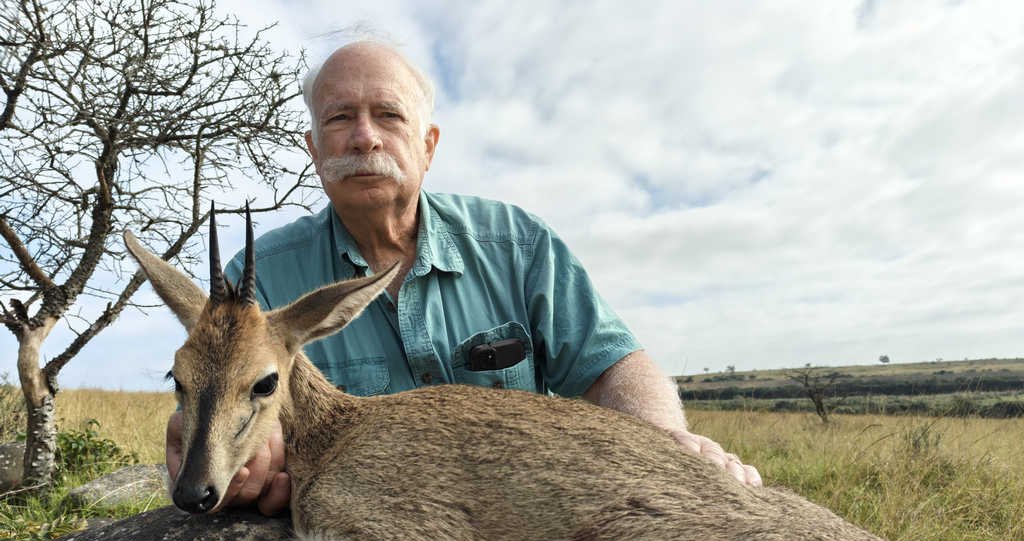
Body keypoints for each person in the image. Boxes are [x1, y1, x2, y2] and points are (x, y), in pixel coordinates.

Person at [165, 40, 761, 514]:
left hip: (525, 520)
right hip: (373, 528)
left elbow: (611, 366)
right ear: (314, 148)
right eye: (340, 118)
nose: (364, 136)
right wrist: (222, 452)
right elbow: (226, 392)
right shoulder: (257, 278)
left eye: (388, 116)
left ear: (428, 145)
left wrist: (669, 446)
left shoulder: (517, 243)